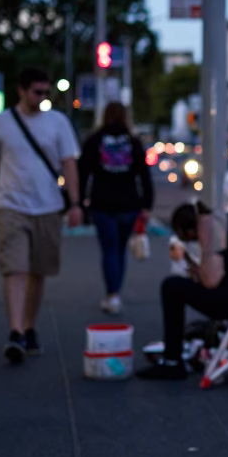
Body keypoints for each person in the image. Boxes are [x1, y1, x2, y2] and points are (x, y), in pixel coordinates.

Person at [0, 67, 82, 364]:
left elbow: (69, 164)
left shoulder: (58, 122)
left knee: (38, 272)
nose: (42, 98)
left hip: (48, 207)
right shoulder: (1, 123)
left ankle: (29, 326)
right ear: (22, 91)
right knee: (15, 268)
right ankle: (15, 332)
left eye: (45, 92)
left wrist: (75, 204)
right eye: (37, 92)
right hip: (10, 206)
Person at [137, 201, 228, 380]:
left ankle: (172, 361)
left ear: (189, 230)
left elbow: (211, 282)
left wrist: (197, 271)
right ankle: (172, 360)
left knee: (171, 286)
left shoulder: (212, 233)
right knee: (180, 286)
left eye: (187, 238)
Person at [78, 101, 154, 315]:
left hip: (102, 202)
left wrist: (80, 201)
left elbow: (83, 173)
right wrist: (147, 204)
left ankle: (112, 294)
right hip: (129, 203)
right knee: (120, 250)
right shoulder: (134, 142)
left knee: (109, 250)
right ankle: (116, 291)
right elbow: (144, 176)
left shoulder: (94, 140)